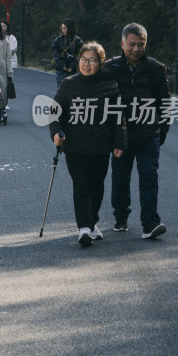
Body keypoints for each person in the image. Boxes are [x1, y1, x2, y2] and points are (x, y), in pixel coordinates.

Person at [50, 42, 126, 247]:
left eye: (92, 60)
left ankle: (92, 224)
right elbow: (55, 112)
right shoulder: (68, 84)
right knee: (82, 184)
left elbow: (119, 117)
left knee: (97, 186)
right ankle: (83, 227)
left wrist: (119, 142)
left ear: (100, 63)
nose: (86, 64)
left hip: (101, 146)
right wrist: (56, 133)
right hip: (74, 145)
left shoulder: (110, 85)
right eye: (83, 59)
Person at [102, 23, 171, 239]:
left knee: (149, 177)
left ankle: (150, 221)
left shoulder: (155, 68)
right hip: (120, 136)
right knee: (120, 178)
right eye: (131, 44)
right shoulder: (109, 68)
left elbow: (165, 104)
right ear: (122, 43)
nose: (136, 49)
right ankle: (121, 216)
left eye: (140, 45)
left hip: (148, 133)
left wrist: (161, 132)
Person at [52, 18, 83, 87]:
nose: (63, 30)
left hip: (72, 70)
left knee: (71, 91)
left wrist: (72, 65)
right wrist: (62, 65)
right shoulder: (58, 40)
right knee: (60, 90)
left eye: (65, 28)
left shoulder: (78, 41)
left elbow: (79, 56)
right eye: (62, 28)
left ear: (70, 28)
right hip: (60, 70)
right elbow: (55, 53)